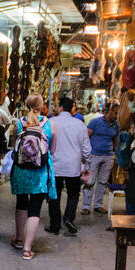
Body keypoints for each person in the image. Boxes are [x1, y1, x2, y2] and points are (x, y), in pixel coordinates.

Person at [9, 92, 56, 260]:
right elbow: (53, 150)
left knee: (21, 203)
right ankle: (27, 249)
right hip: (40, 172)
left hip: (21, 171)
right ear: (42, 107)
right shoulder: (49, 124)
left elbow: (14, 146)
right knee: (35, 208)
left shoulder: (19, 123)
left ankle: (19, 239)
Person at [45, 95, 91, 235]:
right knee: (73, 193)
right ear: (72, 109)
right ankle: (69, 218)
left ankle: (55, 225)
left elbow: (44, 143)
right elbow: (87, 150)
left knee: (54, 194)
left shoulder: (51, 122)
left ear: (59, 108)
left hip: (55, 165)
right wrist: (86, 164)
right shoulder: (80, 124)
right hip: (73, 166)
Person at [82, 102, 119, 215]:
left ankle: (98, 204)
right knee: (90, 181)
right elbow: (86, 138)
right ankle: (86, 206)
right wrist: (85, 155)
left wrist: (114, 153)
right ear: (110, 111)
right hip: (94, 155)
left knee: (103, 182)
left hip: (108, 156)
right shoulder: (95, 122)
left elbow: (115, 140)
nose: (117, 116)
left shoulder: (116, 125)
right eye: (116, 113)